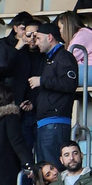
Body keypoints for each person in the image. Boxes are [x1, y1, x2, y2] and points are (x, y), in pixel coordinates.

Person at [29, 22, 78, 168]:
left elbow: (70, 84)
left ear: (49, 37)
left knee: (54, 169)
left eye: (38, 38)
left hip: (56, 123)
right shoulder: (48, 59)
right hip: (46, 122)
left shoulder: (64, 57)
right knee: (45, 172)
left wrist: (42, 80)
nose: (35, 42)